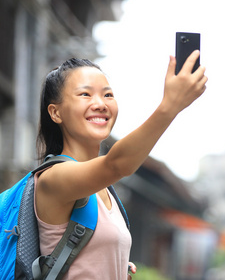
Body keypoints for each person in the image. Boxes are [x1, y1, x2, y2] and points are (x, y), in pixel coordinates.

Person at [34, 50, 207, 279]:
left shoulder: (105, 189)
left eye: (108, 95)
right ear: (55, 113)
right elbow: (116, 165)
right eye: (85, 94)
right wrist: (170, 105)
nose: (100, 104)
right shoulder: (53, 178)